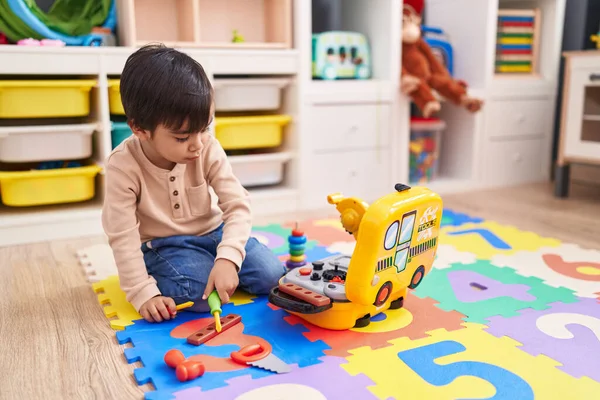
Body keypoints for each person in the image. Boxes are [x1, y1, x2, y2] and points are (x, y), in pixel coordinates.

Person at [101, 44, 286, 323]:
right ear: (140, 129)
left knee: (271, 275)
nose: (197, 144)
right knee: (196, 290)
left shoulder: (206, 146)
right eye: (182, 137)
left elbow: (237, 205)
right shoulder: (122, 166)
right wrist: (143, 293)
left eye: (204, 129)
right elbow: (122, 236)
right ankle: (197, 273)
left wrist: (227, 258)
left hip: (215, 232)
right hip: (166, 245)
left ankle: (217, 268)